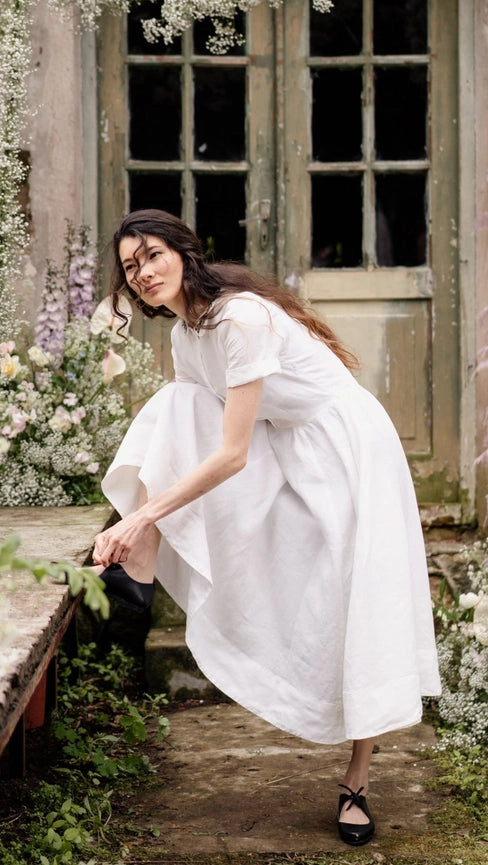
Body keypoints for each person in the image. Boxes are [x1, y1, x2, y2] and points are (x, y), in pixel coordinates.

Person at [93, 209, 441, 846]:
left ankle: (357, 782)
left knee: (352, 603)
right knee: (177, 399)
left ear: (182, 251)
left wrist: (142, 511)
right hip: (281, 446)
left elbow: (230, 456)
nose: (141, 274)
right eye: (129, 267)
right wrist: (147, 518)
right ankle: (137, 566)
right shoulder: (184, 337)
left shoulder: (240, 319)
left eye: (150, 256)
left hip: (345, 450)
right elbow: (195, 430)